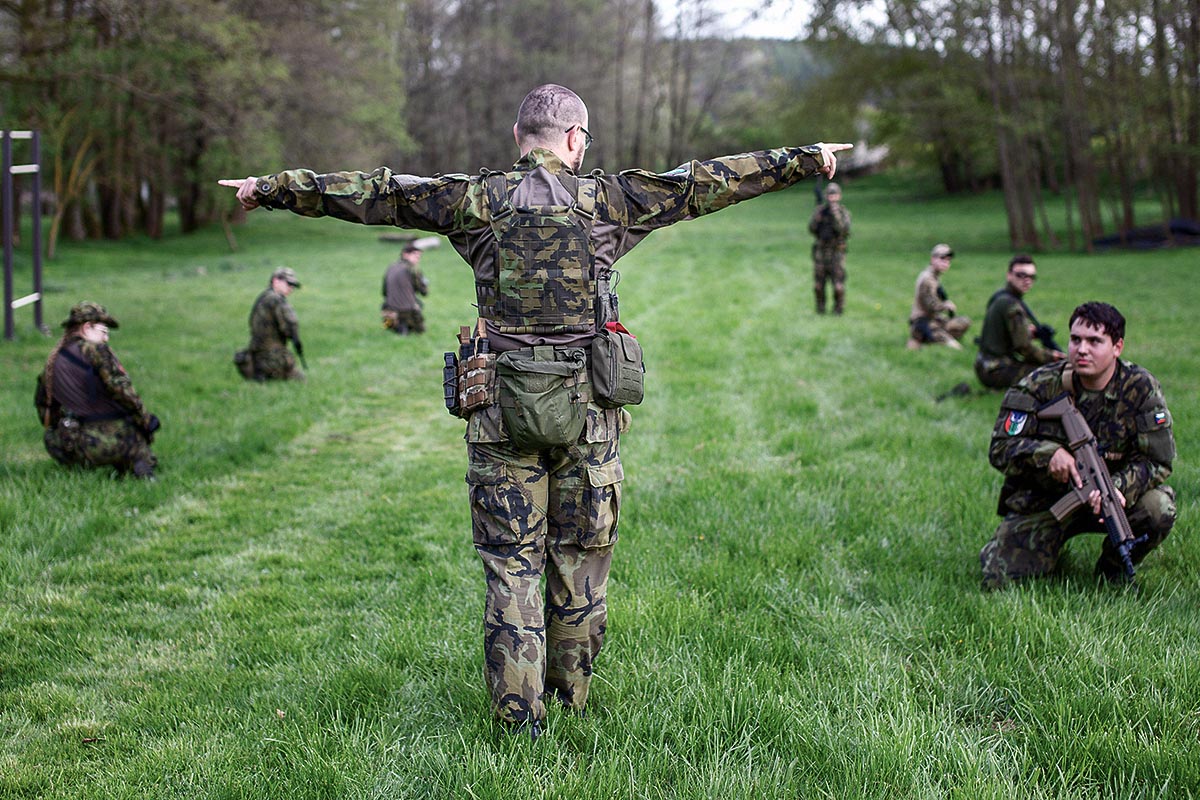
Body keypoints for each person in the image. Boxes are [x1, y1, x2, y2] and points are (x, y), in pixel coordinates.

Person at [221, 83, 850, 738]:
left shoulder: (476, 200)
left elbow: (377, 192)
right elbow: (706, 182)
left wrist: (272, 186)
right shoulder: (610, 201)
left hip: (500, 417)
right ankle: (571, 700)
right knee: (578, 562)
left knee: (511, 569)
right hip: (589, 417)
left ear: (519, 139)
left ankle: (519, 722)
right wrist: (806, 158)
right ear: (575, 140)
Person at [980, 302, 1176, 589]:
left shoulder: (1140, 388)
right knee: (998, 579)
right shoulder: (1039, 384)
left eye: (1095, 341)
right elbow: (999, 449)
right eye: (1076, 339)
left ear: (1117, 347)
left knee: (1159, 507)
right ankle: (1032, 545)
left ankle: (1113, 571)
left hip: (1109, 501)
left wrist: (1120, 487)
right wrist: (1047, 455)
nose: (1082, 349)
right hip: (1047, 500)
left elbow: (1158, 461)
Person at [34, 302, 160, 478]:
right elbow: (123, 392)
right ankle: (138, 464)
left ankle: (79, 468)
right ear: (87, 328)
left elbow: (44, 408)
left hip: (67, 444)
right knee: (138, 440)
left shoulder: (54, 359)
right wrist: (146, 421)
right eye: (103, 332)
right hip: (109, 445)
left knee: (52, 435)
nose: (106, 338)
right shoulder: (96, 350)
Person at [974, 254, 1065, 389]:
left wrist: (1028, 332)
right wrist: (1053, 357)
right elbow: (1024, 348)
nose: (1027, 280)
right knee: (1053, 374)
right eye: (1021, 275)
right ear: (1009, 275)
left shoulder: (1000, 297)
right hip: (995, 370)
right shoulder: (1012, 306)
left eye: (1031, 277)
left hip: (985, 365)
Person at [235, 267, 305, 381]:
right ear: (276, 281)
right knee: (300, 381)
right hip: (272, 358)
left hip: (255, 358)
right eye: (288, 284)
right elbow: (290, 327)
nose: (291, 288)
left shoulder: (263, 298)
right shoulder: (276, 300)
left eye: (293, 286)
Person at [908, 243, 971, 349]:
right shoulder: (928, 279)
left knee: (963, 322)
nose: (946, 263)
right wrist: (945, 305)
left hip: (934, 320)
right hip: (923, 322)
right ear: (933, 259)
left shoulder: (933, 276)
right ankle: (923, 338)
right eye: (942, 259)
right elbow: (930, 304)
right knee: (955, 347)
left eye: (948, 260)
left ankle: (927, 339)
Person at [807, 181, 851, 314]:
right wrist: (818, 216)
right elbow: (812, 229)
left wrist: (835, 213)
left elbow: (844, 230)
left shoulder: (843, 213)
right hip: (821, 252)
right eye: (829, 195)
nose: (832, 198)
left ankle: (838, 310)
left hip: (836, 253)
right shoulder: (821, 211)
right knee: (818, 286)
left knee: (838, 286)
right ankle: (820, 310)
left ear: (839, 196)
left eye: (834, 195)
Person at [381, 242, 429, 335]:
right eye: (415, 256)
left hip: (389, 308)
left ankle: (394, 326)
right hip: (407, 310)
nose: (417, 259)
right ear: (405, 254)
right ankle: (407, 327)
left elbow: (384, 291)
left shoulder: (391, 267)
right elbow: (423, 291)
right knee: (420, 331)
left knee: (390, 325)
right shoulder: (412, 269)